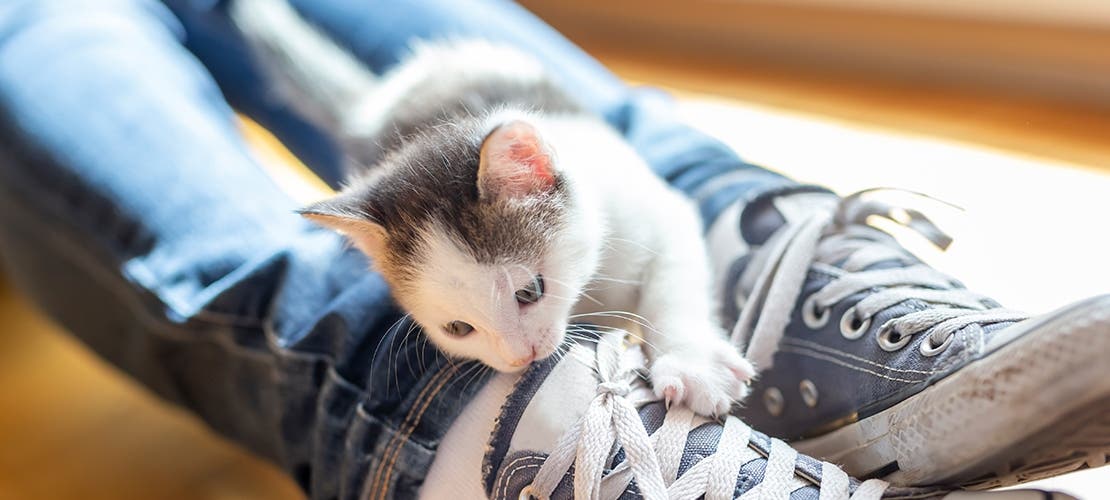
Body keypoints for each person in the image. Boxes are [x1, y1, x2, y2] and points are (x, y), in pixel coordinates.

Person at [0, 0, 1104, 498]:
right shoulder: (481, 264)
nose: (518, 342)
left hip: (553, 179)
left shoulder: (529, 181)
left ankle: (752, 242)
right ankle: (434, 413)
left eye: (505, 311)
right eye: (467, 328)